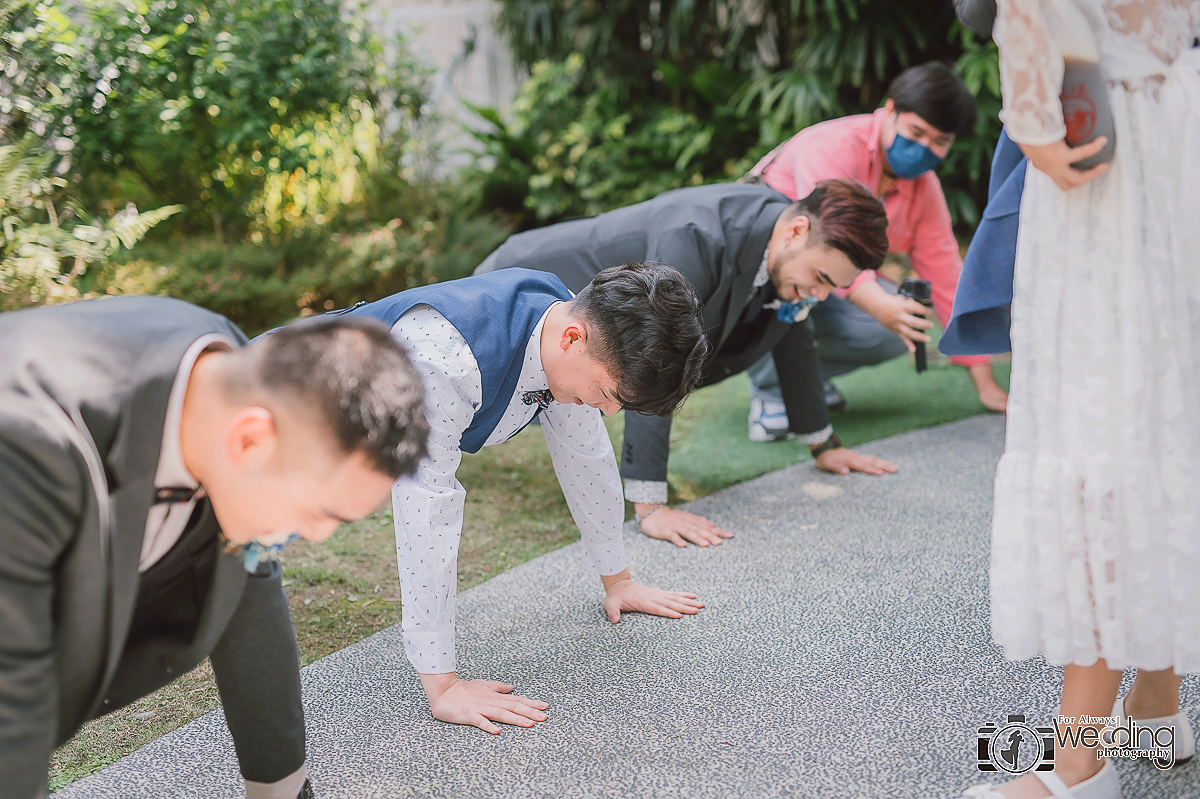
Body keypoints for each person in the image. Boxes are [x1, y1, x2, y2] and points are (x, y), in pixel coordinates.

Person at [0, 296, 429, 799]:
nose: (317, 536)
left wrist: (281, 791)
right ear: (248, 442)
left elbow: (249, 599)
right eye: (320, 513)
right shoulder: (26, 440)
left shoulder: (230, 377)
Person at [966, 2, 1200, 797]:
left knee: (1100, 429)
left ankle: (1077, 760)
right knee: (1168, 410)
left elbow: (1036, 20)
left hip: (1112, 151)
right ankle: (1158, 701)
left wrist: (1033, 118)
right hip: (1180, 129)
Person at [335, 263, 709, 735]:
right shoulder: (443, 358)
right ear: (572, 339)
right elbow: (427, 506)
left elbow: (585, 455)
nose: (610, 411)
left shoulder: (565, 323)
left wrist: (619, 581)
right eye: (609, 393)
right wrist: (444, 686)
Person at [477, 179, 898, 548]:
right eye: (821, 279)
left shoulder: (780, 241)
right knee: (467, 408)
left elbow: (793, 338)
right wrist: (651, 507)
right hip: (520, 293)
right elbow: (653, 351)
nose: (820, 295)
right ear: (797, 231)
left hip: (575, 328)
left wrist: (822, 446)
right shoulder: (695, 236)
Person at [743, 61, 1008, 440]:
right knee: (816, 286)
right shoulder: (833, 147)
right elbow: (826, 246)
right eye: (916, 132)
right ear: (889, 111)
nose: (924, 149)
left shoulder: (924, 189)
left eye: (940, 142)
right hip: (769, 273)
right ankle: (772, 395)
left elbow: (946, 275)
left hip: (829, 278)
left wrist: (985, 382)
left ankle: (807, 379)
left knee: (897, 323)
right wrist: (879, 304)